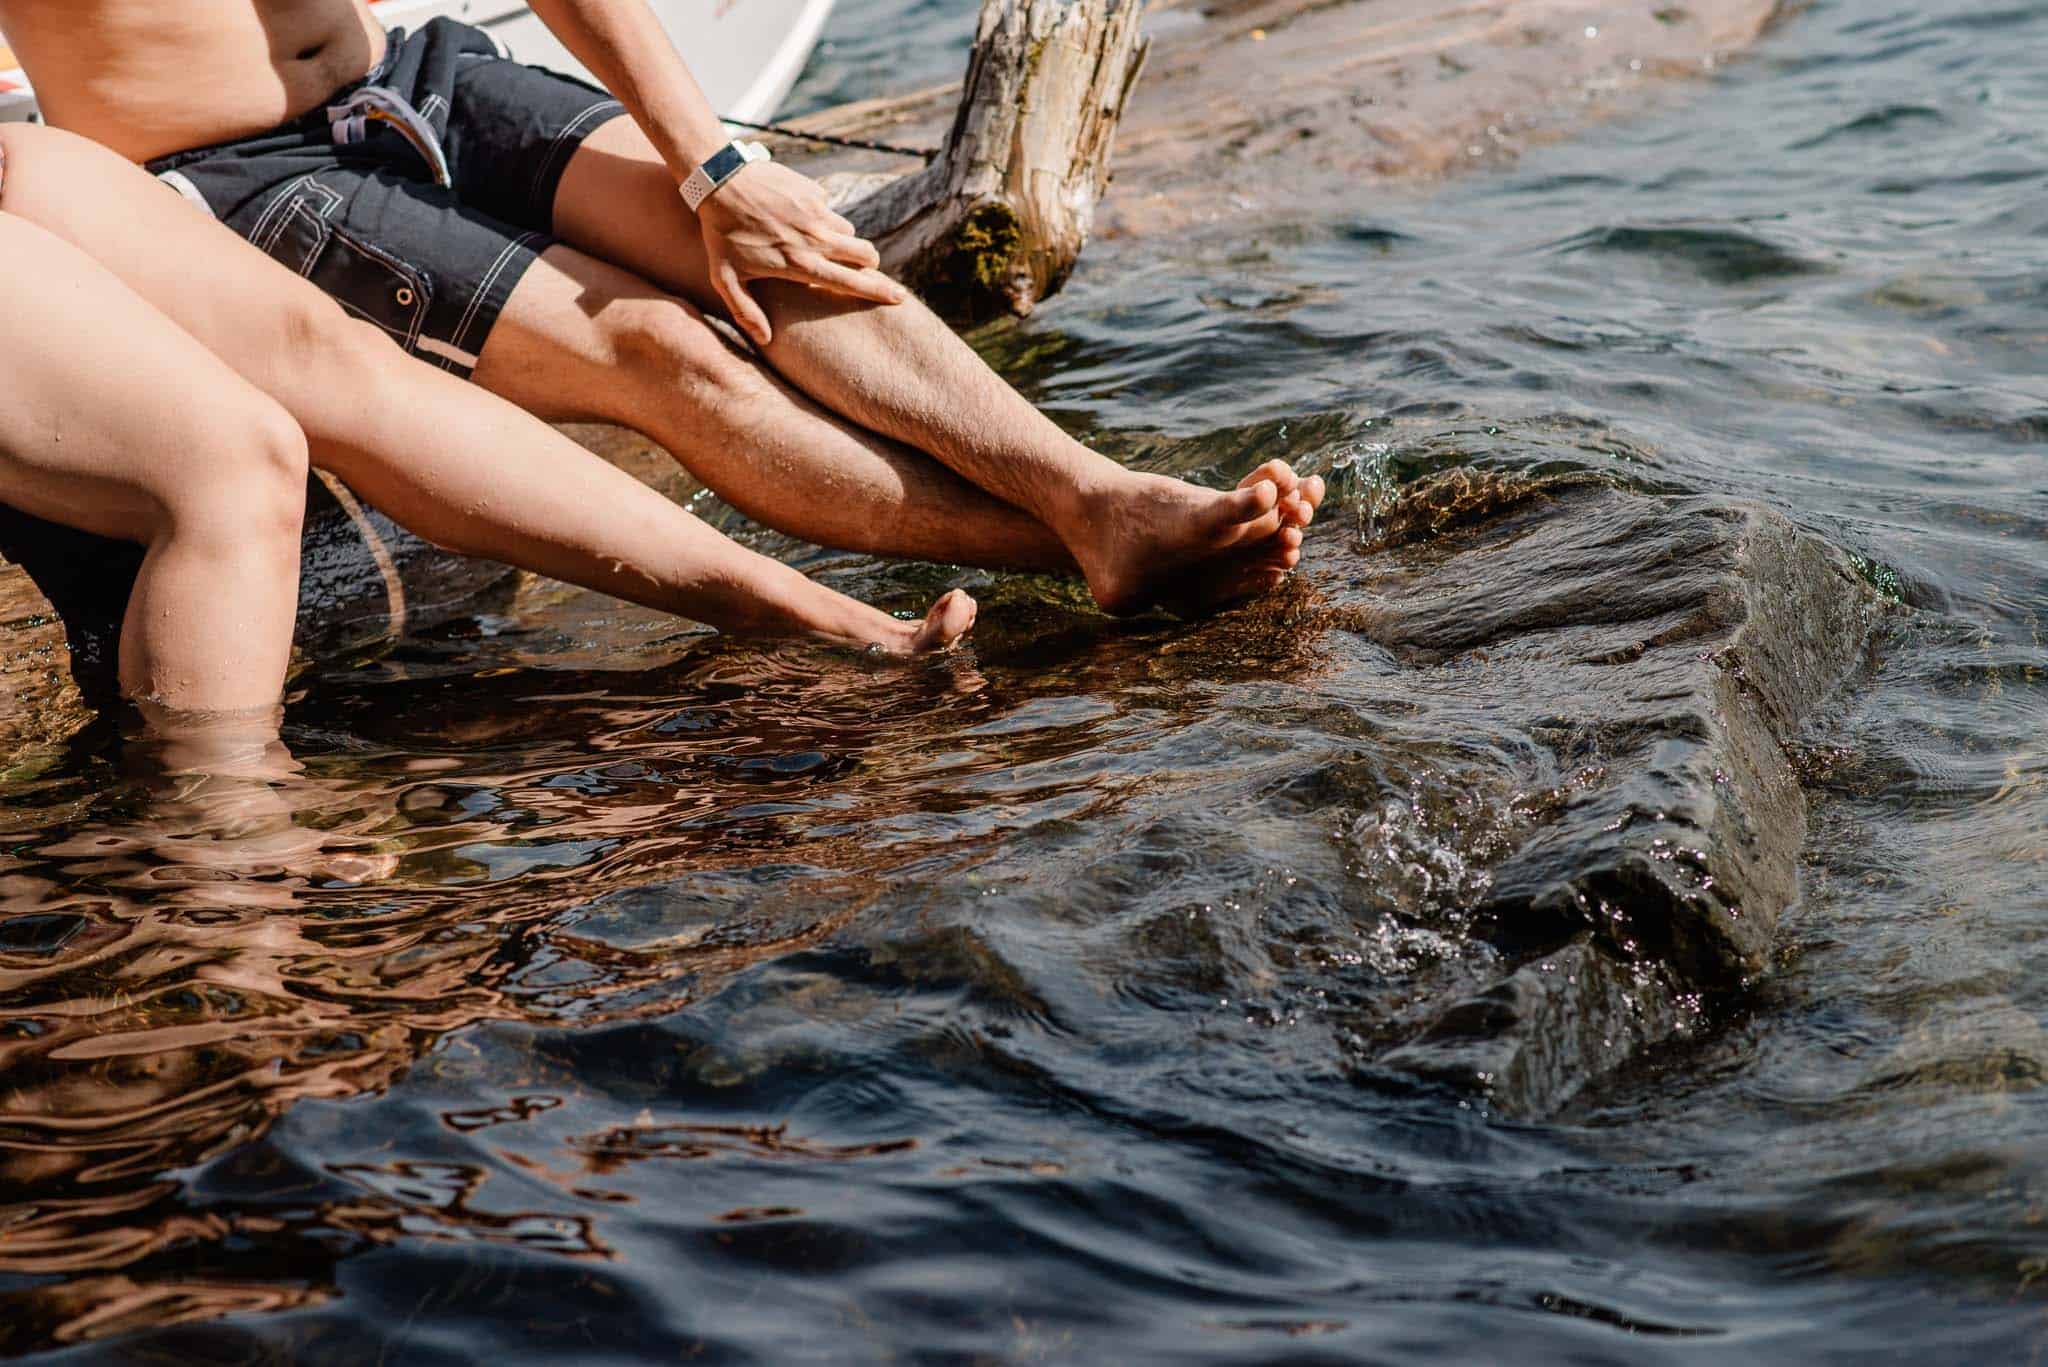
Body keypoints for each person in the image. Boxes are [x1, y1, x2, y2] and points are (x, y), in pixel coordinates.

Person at [0, 0, 1324, 615]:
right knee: (659, 345)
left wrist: (717, 166)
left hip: (408, 82)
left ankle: (1098, 497)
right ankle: (1066, 555)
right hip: (230, 176)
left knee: (783, 244)